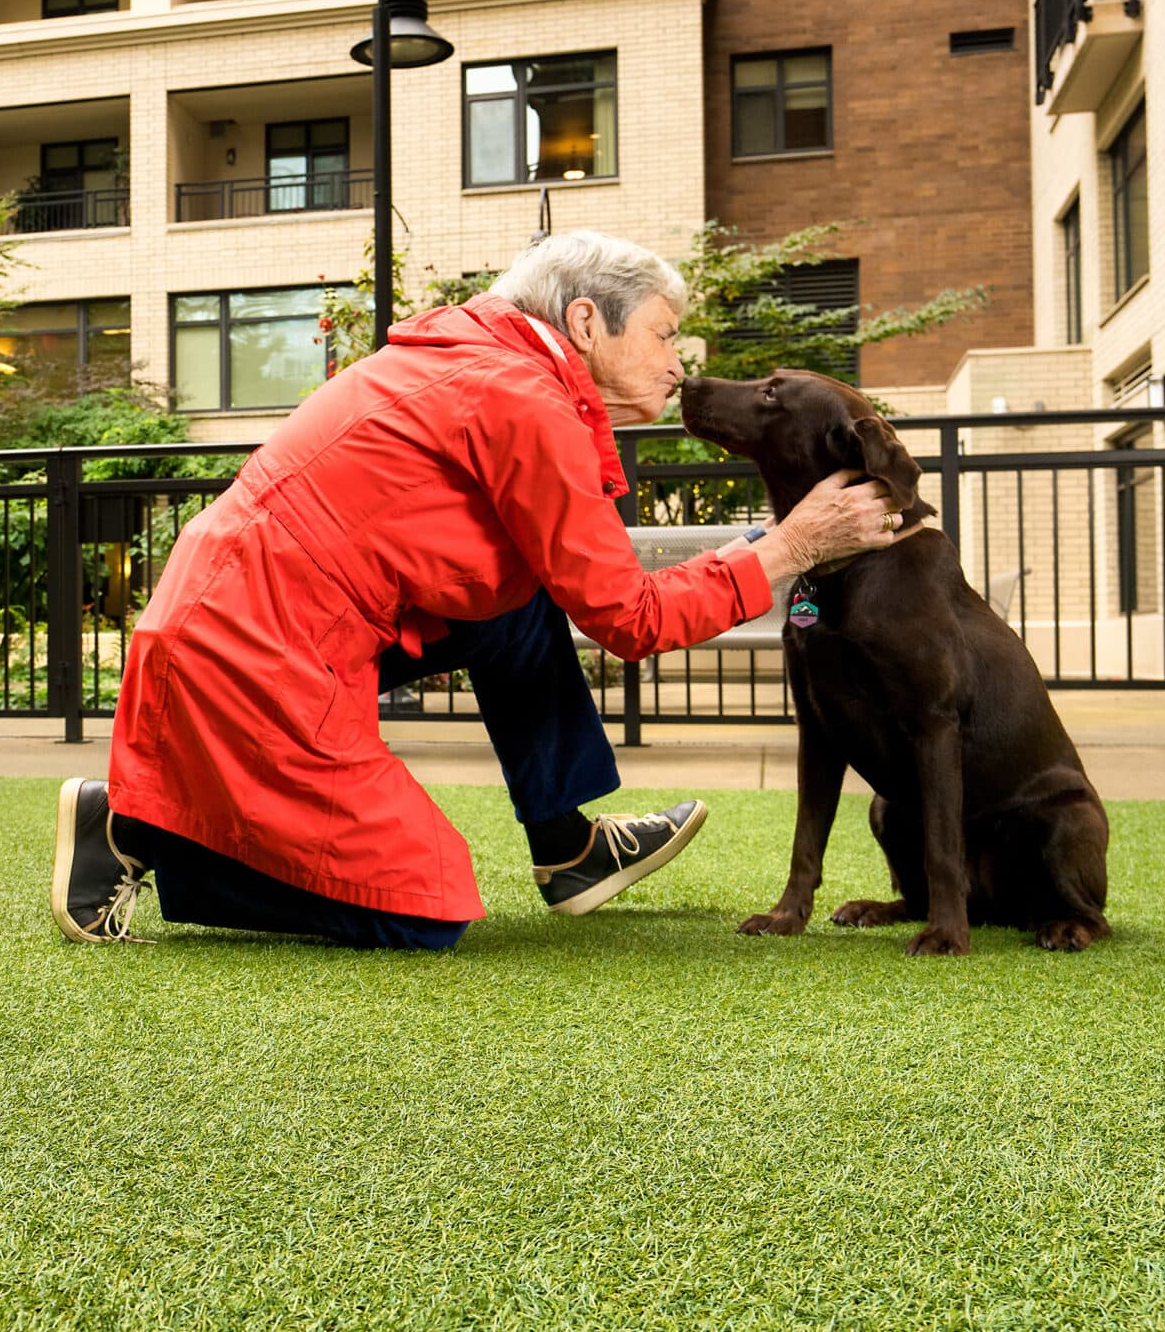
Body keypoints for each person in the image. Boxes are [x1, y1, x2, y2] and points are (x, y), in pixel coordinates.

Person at [49, 232, 911, 950]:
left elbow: (571, 584)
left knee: (521, 604)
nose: (680, 360)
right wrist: (791, 544)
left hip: (249, 624)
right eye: (662, 332)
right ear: (584, 321)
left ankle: (568, 846)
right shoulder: (524, 401)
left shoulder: (492, 362)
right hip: (251, 654)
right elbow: (631, 619)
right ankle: (135, 830)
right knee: (427, 908)